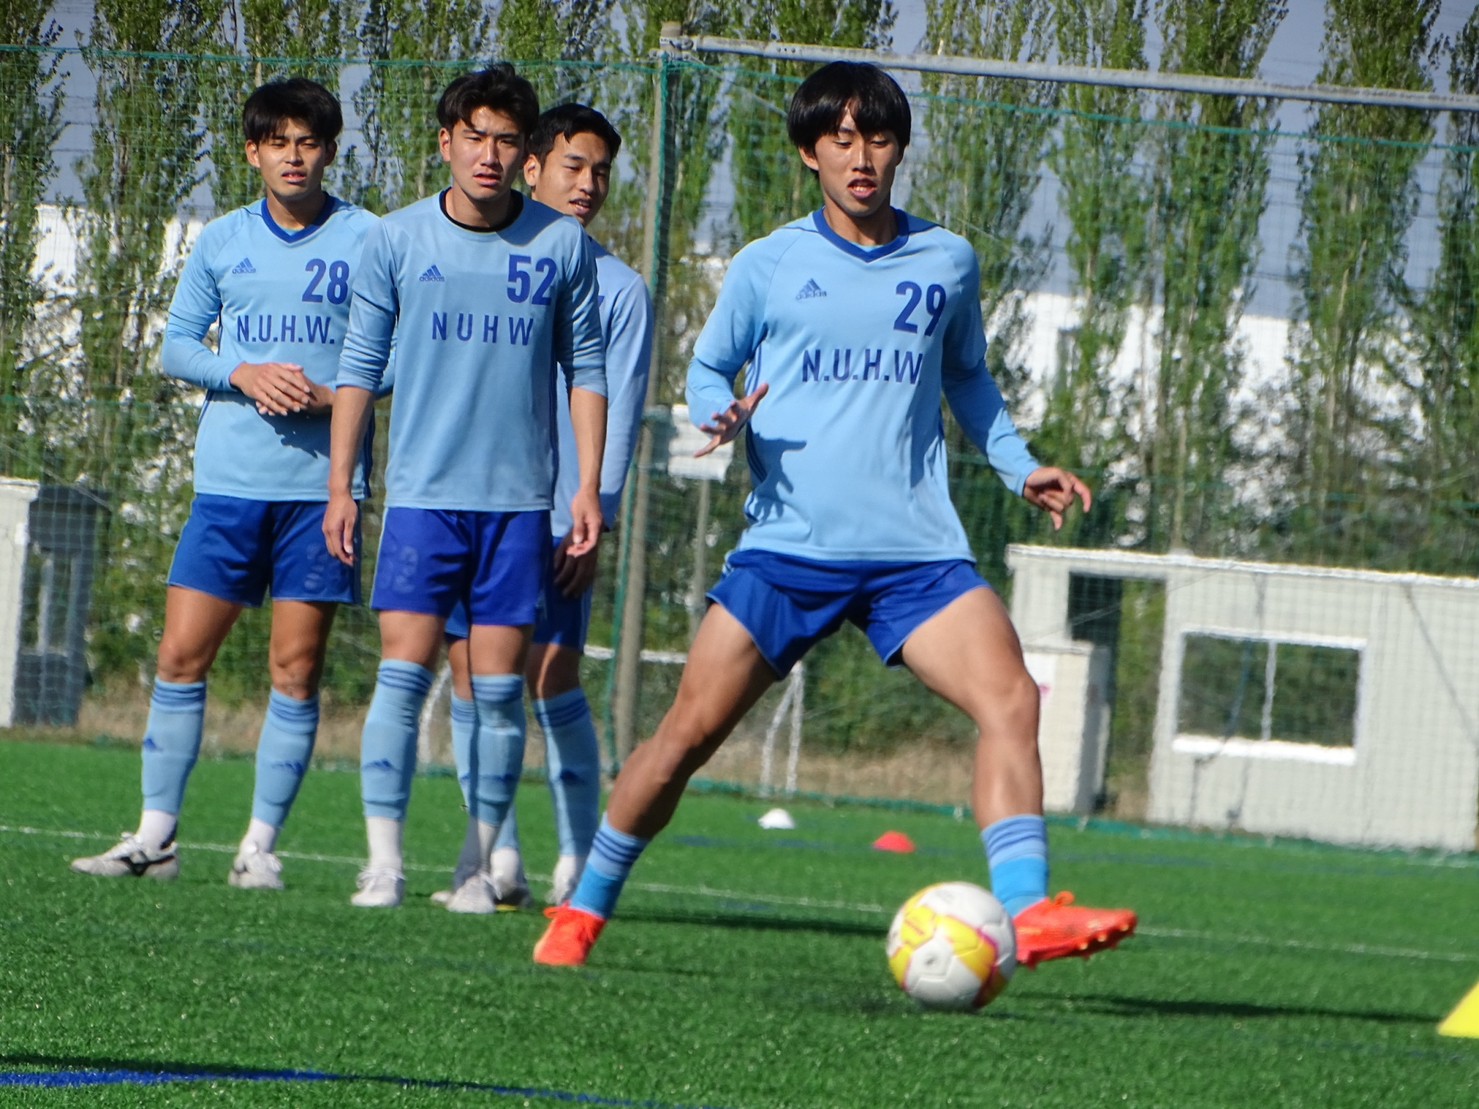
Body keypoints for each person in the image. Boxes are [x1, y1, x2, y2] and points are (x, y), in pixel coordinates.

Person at [534, 61, 1137, 969]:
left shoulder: (947, 260)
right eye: (841, 140)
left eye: (879, 139)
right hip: (788, 549)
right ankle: (581, 911)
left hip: (913, 553)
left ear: (899, 150)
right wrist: (719, 412)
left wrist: (1020, 467)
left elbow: (967, 377)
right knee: (684, 737)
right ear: (809, 153)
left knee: (1011, 697)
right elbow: (708, 369)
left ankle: (1026, 909)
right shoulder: (768, 263)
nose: (861, 158)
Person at [71, 78, 377, 890]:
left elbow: (401, 358)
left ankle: (259, 847)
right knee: (179, 654)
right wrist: (240, 372)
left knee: (295, 670)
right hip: (229, 486)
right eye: (277, 142)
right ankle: (155, 838)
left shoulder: (369, 239)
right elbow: (176, 346)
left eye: (307, 142)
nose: (293, 156)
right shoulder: (222, 240)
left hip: (320, 492)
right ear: (253, 153)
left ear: (330, 151)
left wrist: (333, 396)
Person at [324, 65, 607, 909]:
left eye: (506, 140)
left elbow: (586, 369)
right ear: (446, 142)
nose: (489, 154)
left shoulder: (560, 245)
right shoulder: (396, 239)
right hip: (421, 500)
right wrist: (342, 486)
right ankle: (383, 862)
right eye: (474, 137)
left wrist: (587, 487)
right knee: (402, 675)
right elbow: (357, 368)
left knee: (496, 693)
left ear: (526, 154)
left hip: (518, 509)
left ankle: (476, 866)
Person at [432, 103, 654, 914]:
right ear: (531, 168)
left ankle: (579, 859)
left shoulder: (619, 288)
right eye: (573, 166)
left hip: (560, 519)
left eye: (601, 172)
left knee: (551, 674)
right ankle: (497, 858)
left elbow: (619, 409)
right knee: (470, 674)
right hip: (474, 505)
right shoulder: (484, 260)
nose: (588, 183)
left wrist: (597, 510)